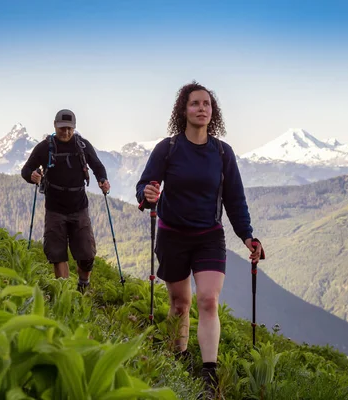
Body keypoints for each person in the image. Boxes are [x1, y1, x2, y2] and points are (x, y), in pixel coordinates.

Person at [135, 81, 264, 399]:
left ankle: (209, 372)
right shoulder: (168, 149)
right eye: (195, 103)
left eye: (207, 103)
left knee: (208, 300)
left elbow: (235, 198)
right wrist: (147, 194)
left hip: (209, 236)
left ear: (213, 111)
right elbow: (144, 188)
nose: (202, 108)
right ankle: (177, 358)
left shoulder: (222, 153)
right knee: (180, 304)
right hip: (172, 235)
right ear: (183, 110)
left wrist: (247, 236)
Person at [21, 109, 110, 291]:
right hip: (55, 209)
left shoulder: (83, 146)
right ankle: (66, 295)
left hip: (79, 208)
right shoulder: (44, 147)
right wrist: (33, 176)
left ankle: (83, 285)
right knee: (57, 254)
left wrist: (103, 180)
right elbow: (26, 170)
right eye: (62, 128)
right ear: (55, 126)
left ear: (74, 128)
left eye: (69, 128)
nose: (66, 132)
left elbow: (98, 166)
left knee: (86, 255)